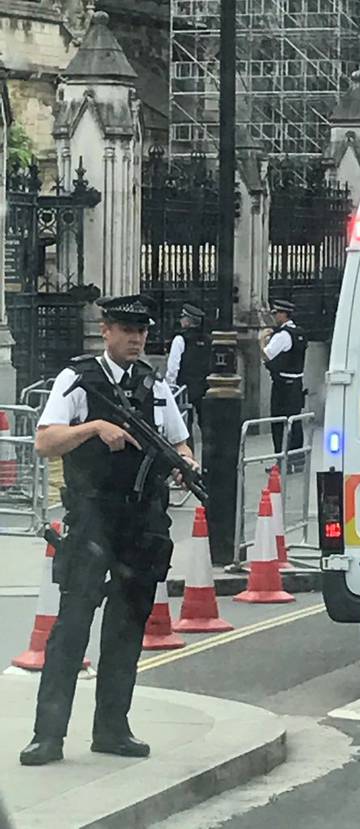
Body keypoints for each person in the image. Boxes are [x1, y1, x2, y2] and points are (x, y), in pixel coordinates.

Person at [20, 294, 199, 767]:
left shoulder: (152, 383)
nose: (136, 338)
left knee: (126, 631)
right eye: (126, 329)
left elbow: (178, 438)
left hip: (140, 524)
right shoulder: (79, 379)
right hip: (93, 519)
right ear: (106, 331)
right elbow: (45, 440)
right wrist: (95, 426)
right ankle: (48, 737)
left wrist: (187, 461)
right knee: (72, 628)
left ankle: (112, 729)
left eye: (142, 331)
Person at [261, 300, 308, 472]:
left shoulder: (282, 335)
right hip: (297, 384)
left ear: (283, 314)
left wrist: (261, 340)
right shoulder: (299, 333)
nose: (274, 316)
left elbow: (267, 356)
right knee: (294, 422)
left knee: (279, 424)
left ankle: (282, 462)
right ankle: (298, 459)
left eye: (276, 313)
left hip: (283, 386)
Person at [165, 303, 210, 451]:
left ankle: (188, 458)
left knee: (184, 426)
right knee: (205, 425)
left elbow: (173, 368)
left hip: (185, 388)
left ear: (188, 320)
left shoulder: (180, 339)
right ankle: (208, 458)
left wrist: (170, 387)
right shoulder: (208, 340)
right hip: (204, 386)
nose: (180, 320)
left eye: (183, 317)